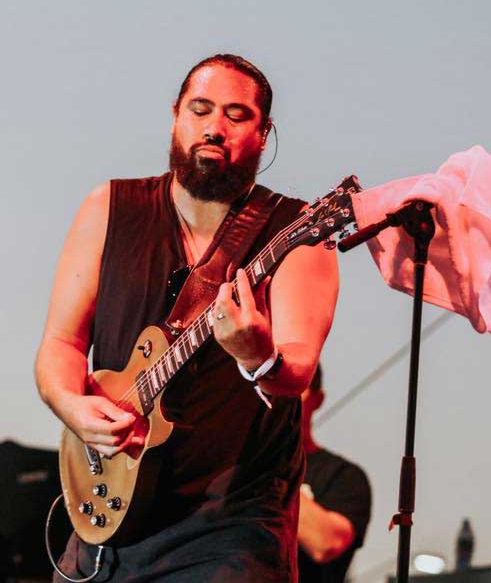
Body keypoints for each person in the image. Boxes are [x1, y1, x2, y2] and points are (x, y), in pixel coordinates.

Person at [35, 54, 339, 582]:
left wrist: (258, 356)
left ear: (264, 133)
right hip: (110, 518)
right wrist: (73, 407)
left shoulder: (297, 231)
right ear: (175, 115)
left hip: (230, 529)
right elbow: (61, 344)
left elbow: (297, 371)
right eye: (201, 110)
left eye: (236, 115)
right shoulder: (109, 208)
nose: (215, 127)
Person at [297, 365, 372, 583]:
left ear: (317, 399)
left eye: (293, 387)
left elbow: (325, 543)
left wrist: (265, 463)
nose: (276, 397)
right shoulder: (229, 470)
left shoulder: (343, 476)